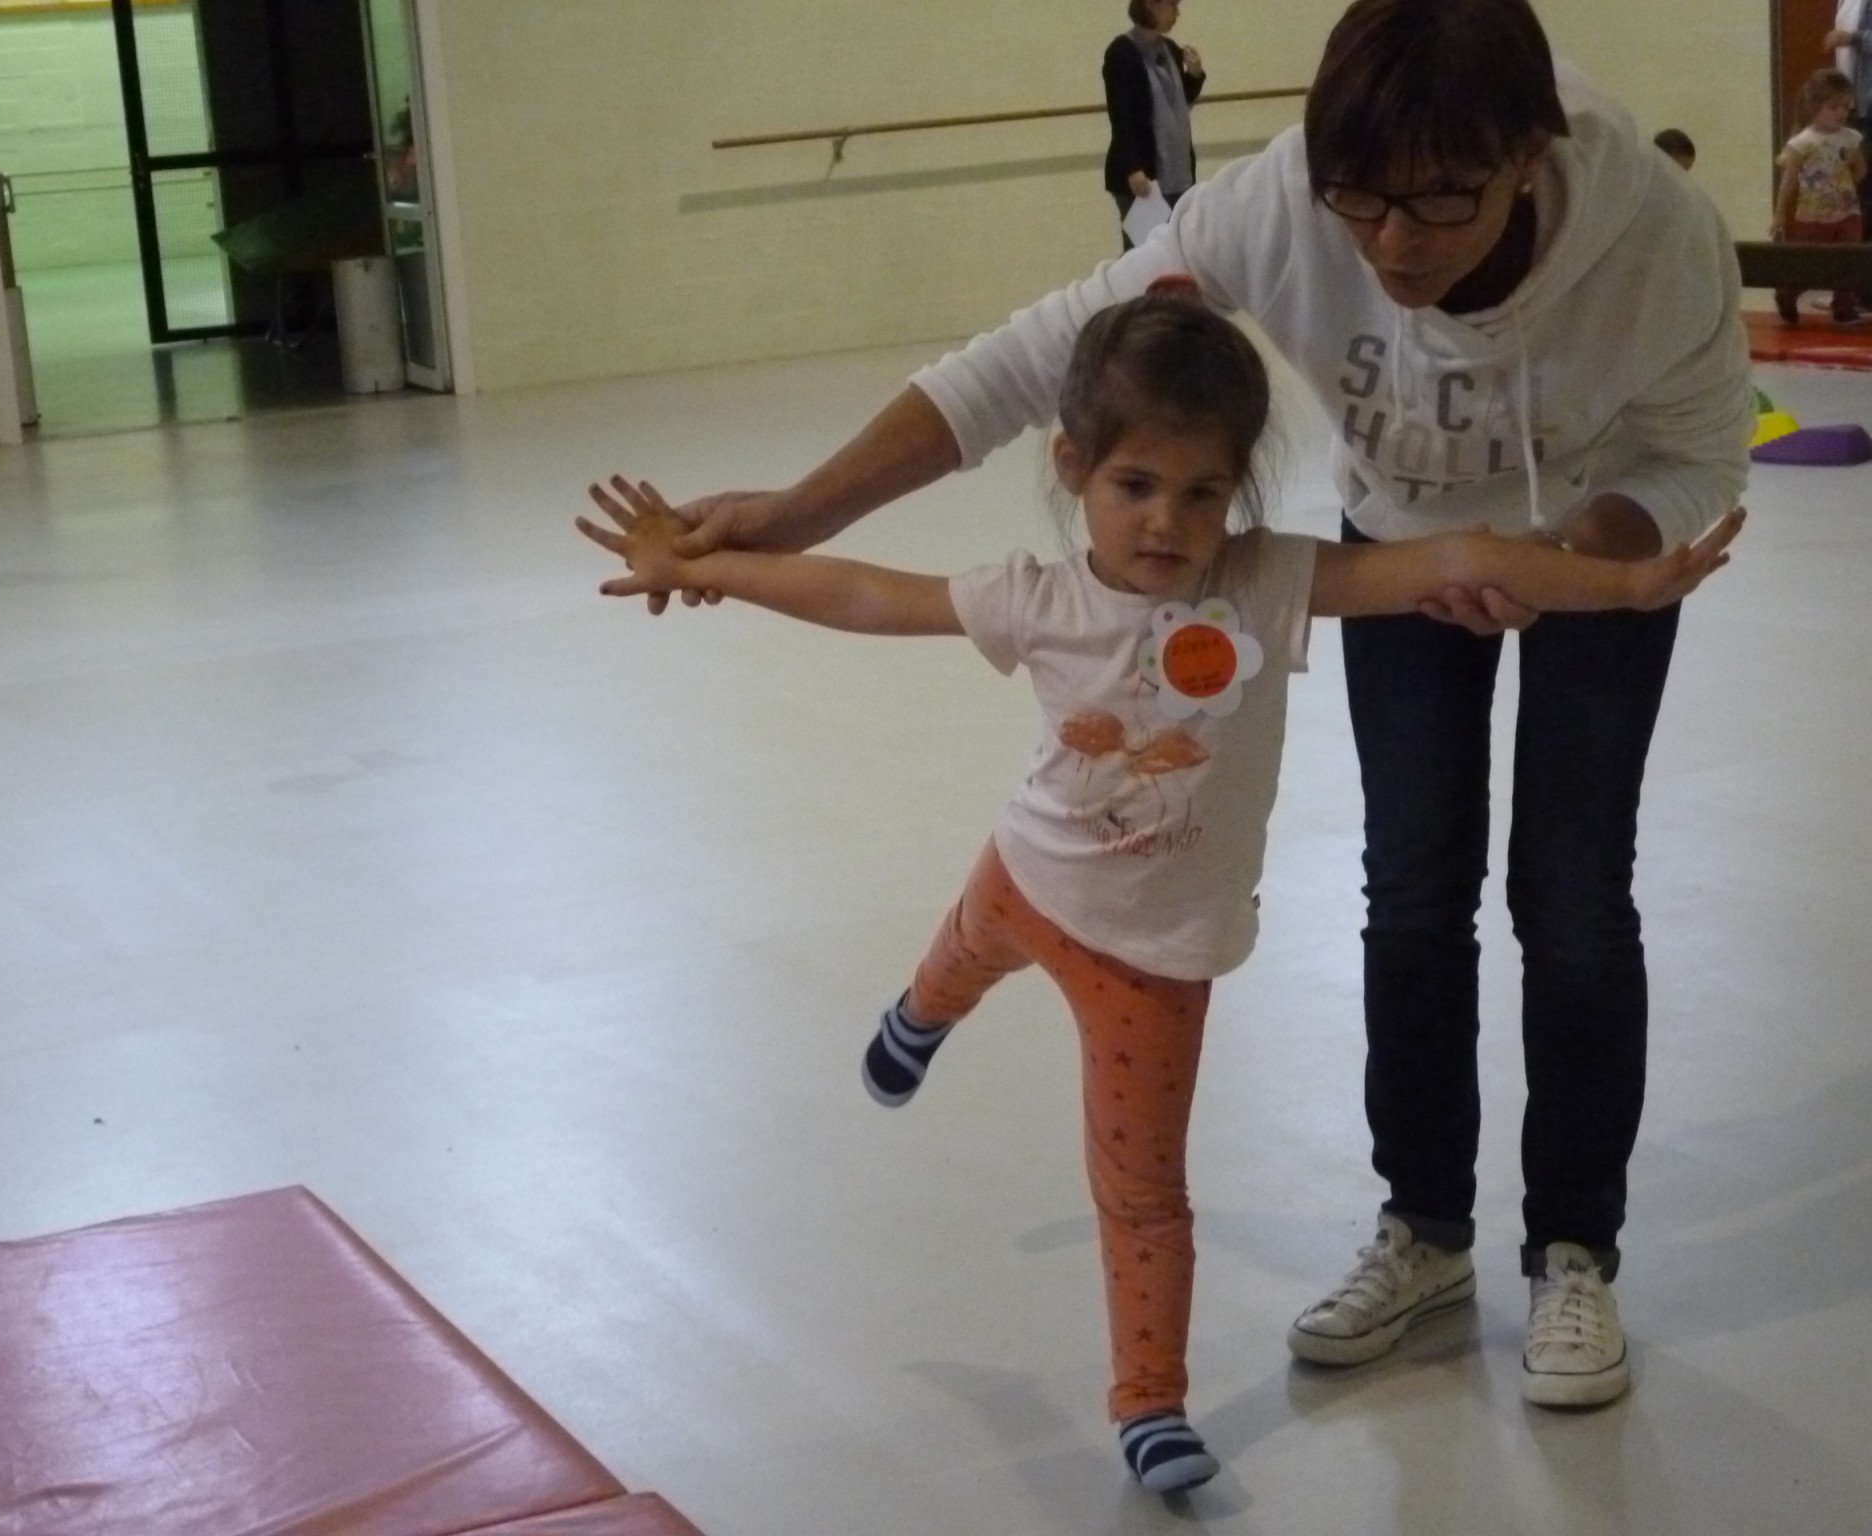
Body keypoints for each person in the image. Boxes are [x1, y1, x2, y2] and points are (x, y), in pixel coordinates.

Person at [655, 0, 1753, 1413]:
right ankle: (1423, 1230)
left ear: (1527, 160)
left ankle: (1573, 1250)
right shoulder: (1286, 198)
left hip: (1598, 542)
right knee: (1413, 884)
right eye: (1361, 204)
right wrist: (796, 514)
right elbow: (1032, 363)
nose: (1391, 245)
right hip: (1395, 537)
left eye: (1438, 205)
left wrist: (1580, 565)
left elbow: (1700, 448)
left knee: (1575, 892)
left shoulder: (1655, 233)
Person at [1104, 0, 1206, 250]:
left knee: (1176, 252)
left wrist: (1194, 75)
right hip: (1143, 175)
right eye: (1172, 5)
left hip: (1178, 172)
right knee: (1142, 254)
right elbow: (1121, 113)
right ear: (1151, 5)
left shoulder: (1170, 49)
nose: (1177, 13)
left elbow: (1177, 102)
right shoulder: (1122, 52)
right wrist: (1133, 167)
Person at [1771, 68, 1866, 326]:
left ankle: (1844, 306)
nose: (1841, 113)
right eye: (1833, 107)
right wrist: (1779, 215)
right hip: (1814, 215)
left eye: (1845, 107)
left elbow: (1860, 172)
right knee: (1811, 263)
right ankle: (1788, 293)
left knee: (1848, 259)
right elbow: (1789, 181)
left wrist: (1853, 166)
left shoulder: (1851, 138)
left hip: (1847, 211)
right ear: (1814, 107)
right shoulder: (1803, 142)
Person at [1828, 0, 1872, 227]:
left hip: (1868, 104)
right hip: (1852, 107)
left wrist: (1852, 38)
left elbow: (1850, 39)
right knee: (1856, 182)